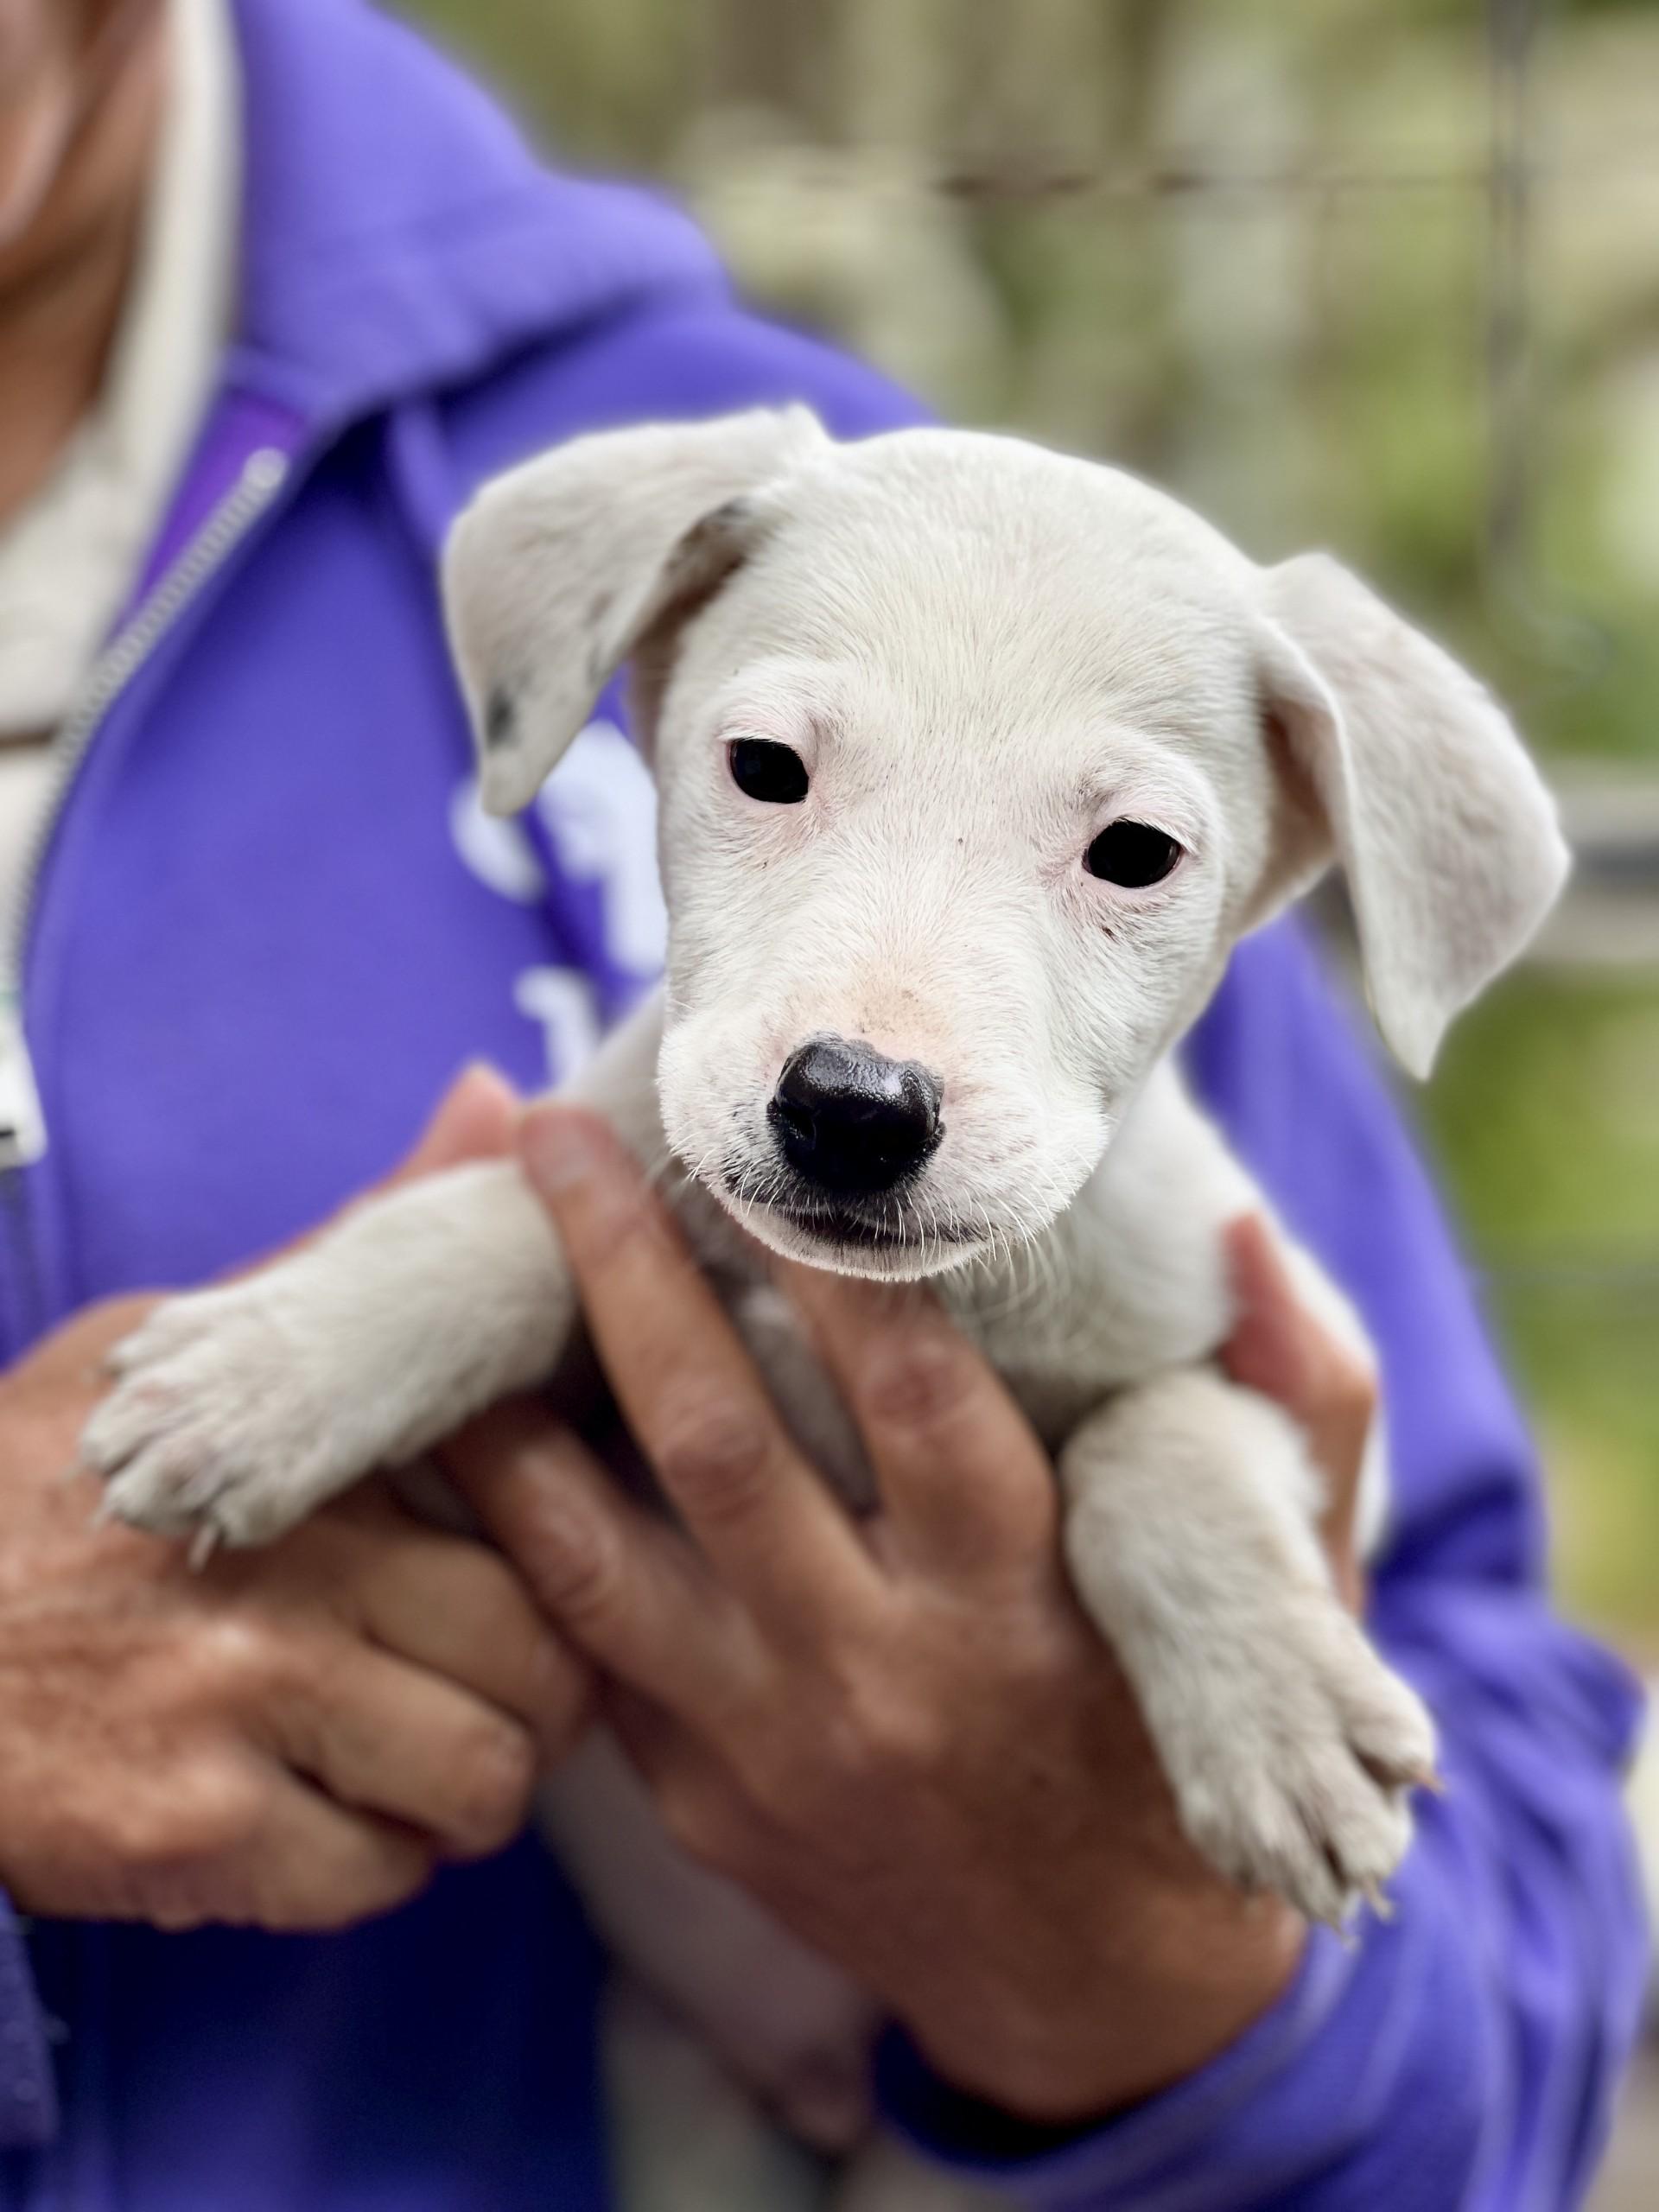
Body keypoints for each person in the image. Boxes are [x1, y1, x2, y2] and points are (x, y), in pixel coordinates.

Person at [0, 1, 1643, 2207]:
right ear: (629, 671)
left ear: (1297, 842)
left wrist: (1170, 1977)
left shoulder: (999, 572)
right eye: (769, 771)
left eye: (1130, 852)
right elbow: (540, 1232)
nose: (876, 1046)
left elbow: (1494, 1886)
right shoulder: (720, 547)